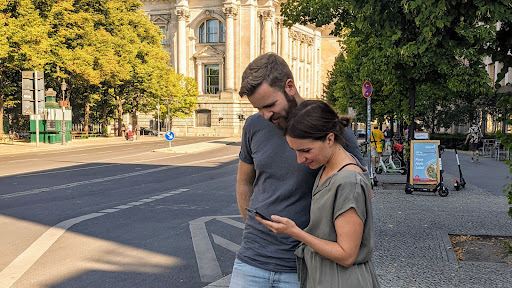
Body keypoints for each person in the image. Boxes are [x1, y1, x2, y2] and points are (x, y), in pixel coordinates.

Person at [230, 53, 364, 287]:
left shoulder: (329, 127)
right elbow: (244, 182)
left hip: (304, 265)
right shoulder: (253, 125)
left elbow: (357, 190)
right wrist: (252, 225)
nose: (266, 115)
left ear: (289, 86)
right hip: (251, 259)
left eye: (270, 105)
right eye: (259, 108)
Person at [257, 100, 379, 287]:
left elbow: (346, 255)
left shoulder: (347, 181)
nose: (299, 159)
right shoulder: (331, 166)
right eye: (295, 151)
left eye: (305, 150)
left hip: (342, 281)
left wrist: (295, 232)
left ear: (329, 139)